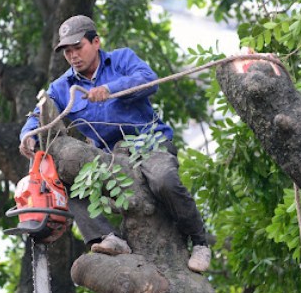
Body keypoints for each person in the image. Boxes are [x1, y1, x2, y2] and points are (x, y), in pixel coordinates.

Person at [19, 15, 211, 273]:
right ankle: (107, 238)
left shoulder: (121, 59)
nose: (73, 55)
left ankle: (199, 241)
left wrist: (112, 87)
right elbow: (37, 115)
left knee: (164, 180)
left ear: (96, 42)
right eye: (68, 51)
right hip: (108, 157)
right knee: (64, 179)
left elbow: (148, 78)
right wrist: (28, 135)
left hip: (148, 142)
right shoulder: (62, 87)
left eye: (78, 47)